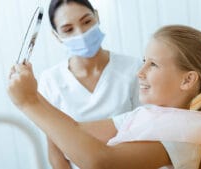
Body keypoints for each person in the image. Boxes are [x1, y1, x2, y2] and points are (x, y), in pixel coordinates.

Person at [8, 25, 201, 169]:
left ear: (188, 80)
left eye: (153, 64)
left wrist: (28, 102)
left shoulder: (181, 135)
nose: (140, 71)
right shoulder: (148, 116)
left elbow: (100, 161)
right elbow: (78, 130)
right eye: (144, 60)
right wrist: (33, 94)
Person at [41, 0, 141, 168]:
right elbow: (56, 152)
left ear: (97, 16)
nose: (81, 34)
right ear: (56, 35)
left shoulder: (133, 68)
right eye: (68, 30)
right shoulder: (50, 81)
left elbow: (147, 131)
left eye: (86, 21)